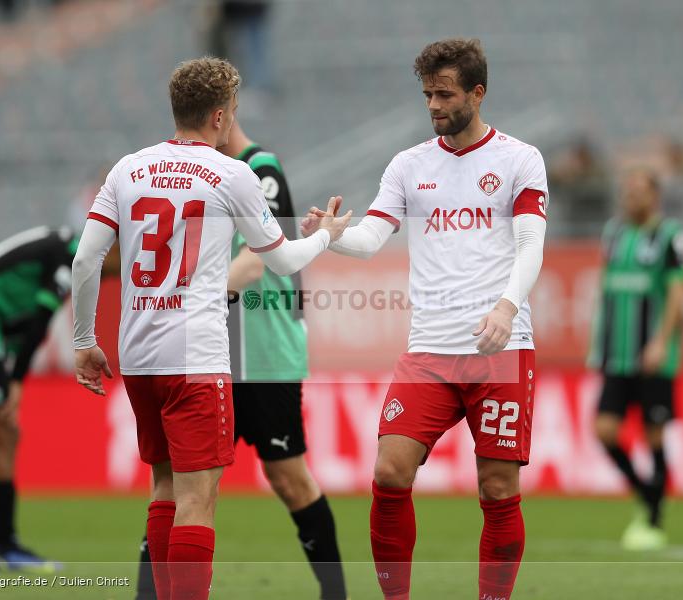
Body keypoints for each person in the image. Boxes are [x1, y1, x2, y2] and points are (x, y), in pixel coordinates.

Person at [71, 57, 350, 600]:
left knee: (165, 486)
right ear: (221, 115)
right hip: (198, 355)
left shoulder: (127, 169)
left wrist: (84, 341)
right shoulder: (234, 174)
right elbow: (285, 261)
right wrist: (326, 235)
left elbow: (85, 261)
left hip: (139, 355)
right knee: (198, 499)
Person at [302, 38, 548, 600]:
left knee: (496, 486)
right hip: (430, 351)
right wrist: (330, 237)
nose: (434, 105)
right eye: (427, 95)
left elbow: (531, 243)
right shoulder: (409, 164)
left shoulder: (519, 159)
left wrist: (508, 307)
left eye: (445, 94)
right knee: (390, 472)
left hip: (501, 349)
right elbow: (370, 238)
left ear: (477, 93)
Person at [133, 121, 348, 600]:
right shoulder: (201, 172)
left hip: (262, 352)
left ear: (222, 117)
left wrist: (201, 296)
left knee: (287, 478)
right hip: (209, 355)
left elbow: (258, 258)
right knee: (178, 481)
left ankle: (336, 593)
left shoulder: (259, 169)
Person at [0, 226, 117, 571]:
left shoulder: (68, 248)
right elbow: (40, 322)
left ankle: (5, 546)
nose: (119, 274)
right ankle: (4, 548)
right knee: (6, 432)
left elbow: (24, 318)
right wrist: (16, 380)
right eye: (121, 264)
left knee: (7, 434)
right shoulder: (71, 258)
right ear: (114, 247)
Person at [589, 168, 683, 551]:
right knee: (604, 430)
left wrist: (662, 341)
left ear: (655, 196)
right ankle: (647, 491)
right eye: (626, 190)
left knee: (653, 434)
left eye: (638, 191)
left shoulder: (670, 237)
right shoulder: (613, 234)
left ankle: (653, 520)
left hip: (653, 356)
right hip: (616, 354)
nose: (630, 197)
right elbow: (608, 289)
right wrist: (597, 342)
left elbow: (678, 293)